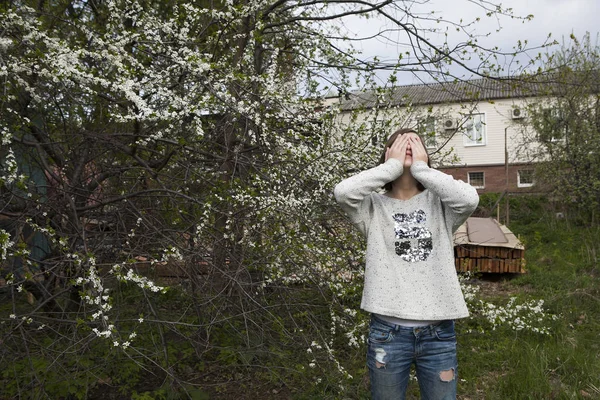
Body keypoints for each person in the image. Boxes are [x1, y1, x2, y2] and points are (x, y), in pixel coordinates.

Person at [333, 128, 479, 400]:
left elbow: (469, 199)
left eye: (416, 142)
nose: (408, 145)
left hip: (438, 334)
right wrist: (390, 167)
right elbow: (343, 193)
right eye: (401, 143)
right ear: (388, 154)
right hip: (387, 334)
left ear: (425, 154)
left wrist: (422, 169)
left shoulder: (442, 205)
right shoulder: (372, 208)